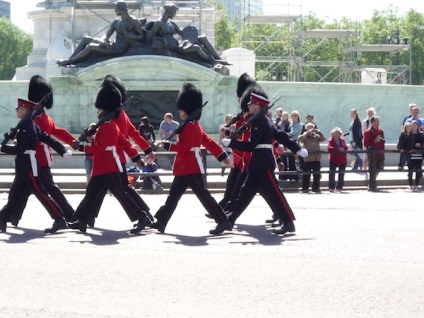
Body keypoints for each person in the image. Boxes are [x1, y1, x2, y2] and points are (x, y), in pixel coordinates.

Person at [222, 87, 308, 235]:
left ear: (257, 106)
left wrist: (232, 143)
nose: (249, 106)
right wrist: (296, 149)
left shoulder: (259, 122)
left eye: (251, 104)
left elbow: (251, 146)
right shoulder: (262, 121)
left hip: (262, 163)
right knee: (244, 194)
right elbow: (280, 136)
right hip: (258, 163)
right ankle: (228, 221)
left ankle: (288, 223)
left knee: (275, 194)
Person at [69, 82, 152, 234]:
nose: (98, 112)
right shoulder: (109, 124)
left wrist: (80, 147)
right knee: (92, 193)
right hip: (103, 165)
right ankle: (81, 220)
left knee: (120, 192)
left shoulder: (107, 125)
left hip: (109, 165)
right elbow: (124, 142)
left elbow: (98, 148)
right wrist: (136, 157)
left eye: (100, 109)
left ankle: (142, 217)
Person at [149, 83, 231, 235]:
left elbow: (185, 147)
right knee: (173, 196)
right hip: (184, 167)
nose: (179, 110)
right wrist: (221, 156)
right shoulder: (190, 124)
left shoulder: (191, 126)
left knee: (203, 196)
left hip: (191, 166)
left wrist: (168, 146)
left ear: (187, 108)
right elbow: (208, 141)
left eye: (181, 108)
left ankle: (223, 220)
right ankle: (161, 222)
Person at [8, 75, 78, 226]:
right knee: (19, 190)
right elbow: (58, 132)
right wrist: (74, 142)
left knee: (47, 189)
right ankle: (12, 216)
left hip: (37, 159)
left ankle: (68, 215)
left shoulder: (37, 118)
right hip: (33, 159)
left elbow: (44, 135)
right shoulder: (41, 116)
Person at [0, 99, 70, 234]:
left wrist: (3, 148)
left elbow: (20, 149)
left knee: (41, 193)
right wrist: (62, 150)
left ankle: (59, 218)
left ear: (25, 109)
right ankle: (2, 218)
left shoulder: (27, 127)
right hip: (23, 165)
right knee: (14, 195)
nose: (16, 110)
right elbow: (48, 139)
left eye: (19, 108)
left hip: (28, 165)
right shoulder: (28, 125)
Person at [57, 1, 145, 67]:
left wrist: (131, 36)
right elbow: (106, 36)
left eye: (115, 8)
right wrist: (103, 41)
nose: (114, 10)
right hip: (111, 45)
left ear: (121, 9)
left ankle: (69, 62)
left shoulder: (133, 21)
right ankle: (69, 60)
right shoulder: (116, 22)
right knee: (86, 39)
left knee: (91, 46)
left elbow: (142, 37)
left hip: (118, 50)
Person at [145, 4, 228, 66]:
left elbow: (182, 33)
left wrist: (192, 37)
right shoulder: (159, 23)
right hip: (172, 48)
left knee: (202, 39)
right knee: (196, 48)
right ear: (170, 12)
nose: (175, 15)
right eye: (174, 13)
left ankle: (217, 58)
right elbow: (149, 36)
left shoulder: (171, 23)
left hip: (178, 44)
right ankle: (214, 61)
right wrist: (161, 40)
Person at [298, 123, 326, 193]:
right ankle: (305, 188)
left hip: (316, 158)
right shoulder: (304, 135)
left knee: (317, 174)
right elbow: (300, 139)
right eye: (309, 127)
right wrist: (306, 133)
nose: (311, 129)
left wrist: (319, 132)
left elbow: (323, 139)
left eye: (312, 127)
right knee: (306, 174)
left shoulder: (316, 136)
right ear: (306, 128)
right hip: (308, 158)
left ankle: (316, 188)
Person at [397, 121, 424, 191]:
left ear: (418, 126)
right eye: (413, 125)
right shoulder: (409, 134)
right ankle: (411, 184)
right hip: (411, 154)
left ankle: (417, 184)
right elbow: (406, 143)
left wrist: (420, 145)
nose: (414, 127)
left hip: (419, 154)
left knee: (418, 170)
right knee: (410, 170)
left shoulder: (421, 134)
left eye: (416, 125)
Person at [363, 116, 385, 192]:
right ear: (372, 122)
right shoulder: (367, 132)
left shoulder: (381, 131)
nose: (377, 122)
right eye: (376, 121)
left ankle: (372, 182)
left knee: (380, 168)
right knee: (373, 169)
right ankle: (372, 184)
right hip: (373, 154)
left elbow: (383, 141)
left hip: (381, 153)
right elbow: (366, 144)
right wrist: (374, 142)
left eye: (378, 121)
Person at [280, 110, 302, 181]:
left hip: (293, 142)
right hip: (287, 142)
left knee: (292, 160)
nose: (294, 117)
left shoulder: (299, 125)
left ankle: (293, 177)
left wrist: (282, 135)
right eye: (293, 115)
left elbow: (292, 133)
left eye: (296, 115)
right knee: (284, 159)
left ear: (298, 117)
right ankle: (284, 176)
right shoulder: (289, 124)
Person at [327, 127, 348, 193]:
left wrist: (343, 148)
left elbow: (346, 147)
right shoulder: (331, 140)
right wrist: (338, 148)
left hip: (342, 159)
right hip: (333, 159)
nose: (336, 134)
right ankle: (332, 187)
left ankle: (339, 187)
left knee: (341, 174)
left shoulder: (342, 140)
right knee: (332, 173)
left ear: (340, 134)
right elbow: (329, 147)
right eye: (334, 133)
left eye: (337, 133)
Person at [398, 103, 415, 170]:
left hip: (411, 143)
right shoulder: (407, 118)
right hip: (404, 142)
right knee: (403, 155)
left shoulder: (420, 119)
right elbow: (403, 126)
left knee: (409, 156)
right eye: (411, 109)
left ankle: (410, 166)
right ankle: (401, 165)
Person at [361, 107, 376, 173]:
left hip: (374, 141)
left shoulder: (375, 121)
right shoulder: (365, 122)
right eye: (369, 113)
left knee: (373, 157)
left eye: (371, 113)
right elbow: (363, 132)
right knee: (366, 156)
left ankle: (371, 171)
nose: (370, 114)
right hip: (366, 141)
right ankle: (365, 170)